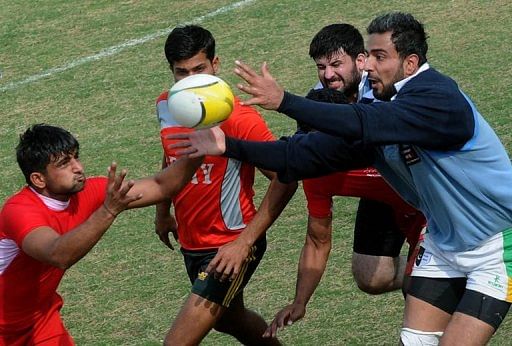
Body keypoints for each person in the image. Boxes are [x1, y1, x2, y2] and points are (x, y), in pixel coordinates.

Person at [171, 12, 512, 345]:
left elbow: (363, 121)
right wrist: (226, 145)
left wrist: (286, 102)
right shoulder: (381, 113)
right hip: (443, 243)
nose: (367, 66)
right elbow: (300, 156)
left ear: (410, 64)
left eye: (379, 57)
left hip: (497, 243)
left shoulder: (438, 99)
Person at [154, 25, 297, 345]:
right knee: (230, 319)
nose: (191, 80)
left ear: (215, 65)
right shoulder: (167, 105)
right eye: (182, 73)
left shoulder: (238, 117)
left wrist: (244, 243)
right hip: (192, 242)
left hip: (229, 245)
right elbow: (169, 154)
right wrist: (162, 211)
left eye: (199, 69)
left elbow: (285, 177)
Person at [0, 124, 201, 345]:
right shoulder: (20, 211)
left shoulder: (89, 191)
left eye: (76, 157)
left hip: (39, 320)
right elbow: (57, 254)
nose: (78, 167)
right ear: (38, 179)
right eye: (65, 163)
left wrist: (200, 149)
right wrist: (108, 211)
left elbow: (160, 185)